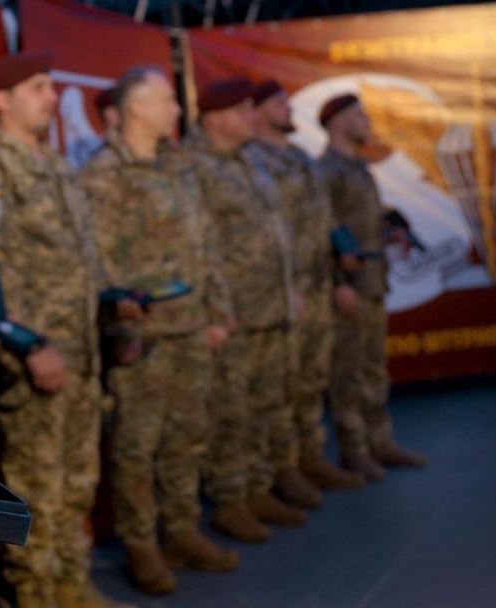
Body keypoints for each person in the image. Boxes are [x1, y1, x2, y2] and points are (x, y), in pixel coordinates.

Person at [0, 52, 126, 608]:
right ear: (1, 100)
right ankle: (35, 593)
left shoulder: (50, 160)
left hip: (79, 348)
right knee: (36, 487)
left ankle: (72, 586)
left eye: (51, 87)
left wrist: (112, 308)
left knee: (76, 481)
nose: (52, 97)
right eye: (38, 88)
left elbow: (82, 254)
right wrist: (30, 346)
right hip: (36, 354)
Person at [80, 66, 239, 596]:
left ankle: (181, 530)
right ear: (137, 108)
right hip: (142, 335)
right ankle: (142, 546)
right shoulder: (104, 173)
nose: (176, 109)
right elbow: (97, 261)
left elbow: (205, 240)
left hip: (190, 325)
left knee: (187, 437)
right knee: (137, 446)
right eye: (167, 99)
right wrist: (116, 329)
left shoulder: (178, 164)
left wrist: (217, 309)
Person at [186, 77, 306, 543]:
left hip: (270, 304)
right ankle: (230, 499)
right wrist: (214, 308)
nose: (251, 118)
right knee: (229, 410)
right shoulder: (195, 165)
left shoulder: (250, 158)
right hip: (233, 310)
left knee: (264, 402)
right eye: (242, 111)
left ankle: (259, 486)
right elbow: (197, 245)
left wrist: (291, 288)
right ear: (216, 119)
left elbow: (277, 232)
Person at [251, 81, 367, 501]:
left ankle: (310, 457)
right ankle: (282, 469)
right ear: (257, 112)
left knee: (312, 379)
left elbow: (325, 222)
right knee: (281, 385)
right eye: (278, 103)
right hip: (284, 293)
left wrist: (338, 275)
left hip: (317, 287)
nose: (288, 108)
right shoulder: (253, 162)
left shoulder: (300, 158)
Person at [319, 94, 428, 481]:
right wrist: (337, 283)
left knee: (374, 369)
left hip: (372, 281)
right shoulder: (327, 172)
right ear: (337, 122)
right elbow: (323, 231)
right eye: (358, 115)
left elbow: (357, 226)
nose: (367, 121)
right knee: (347, 373)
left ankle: (381, 443)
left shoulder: (358, 167)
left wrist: (388, 232)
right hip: (350, 286)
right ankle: (355, 451)